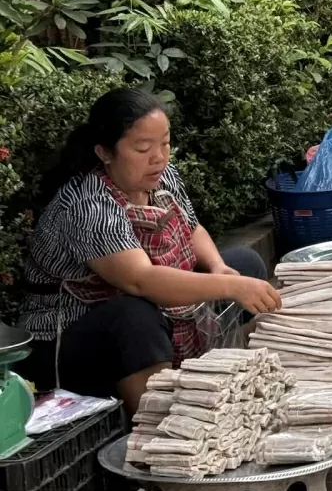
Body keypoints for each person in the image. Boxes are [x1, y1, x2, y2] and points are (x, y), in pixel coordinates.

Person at [18, 89, 281, 414]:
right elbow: (140, 280)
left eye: (165, 144)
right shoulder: (87, 205)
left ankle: (230, 379)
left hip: (145, 299)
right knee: (135, 316)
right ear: (104, 152)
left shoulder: (162, 176)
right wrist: (230, 286)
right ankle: (157, 424)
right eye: (142, 148)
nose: (159, 157)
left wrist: (218, 268)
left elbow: (191, 227)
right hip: (67, 338)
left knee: (244, 264)